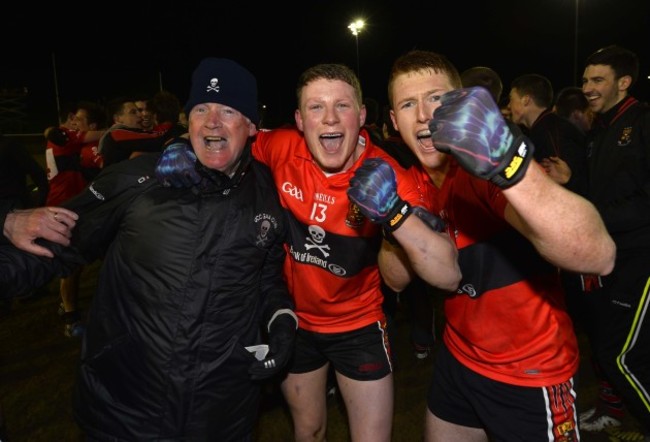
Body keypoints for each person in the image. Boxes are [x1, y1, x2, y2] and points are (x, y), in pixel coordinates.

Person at [156, 61, 461, 442]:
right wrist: (178, 145)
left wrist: (392, 221)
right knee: (309, 430)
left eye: (343, 106)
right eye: (316, 107)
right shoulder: (280, 147)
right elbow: (223, 134)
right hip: (295, 324)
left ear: (362, 115)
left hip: (359, 325)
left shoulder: (394, 179)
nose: (330, 118)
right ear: (300, 120)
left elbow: (402, 281)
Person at [0, 57, 297, 441]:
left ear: (252, 126)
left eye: (228, 110)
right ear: (186, 120)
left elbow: (265, 276)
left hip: (221, 415)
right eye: (201, 109)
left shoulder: (268, 196)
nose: (212, 121)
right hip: (125, 411)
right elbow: (48, 247)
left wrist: (282, 318)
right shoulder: (137, 179)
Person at [351, 49, 615, 441]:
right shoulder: (416, 185)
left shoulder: (480, 175)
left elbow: (598, 254)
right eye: (408, 103)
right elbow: (398, 280)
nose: (424, 114)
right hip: (459, 359)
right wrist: (392, 220)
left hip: (528, 372)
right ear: (394, 121)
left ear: (459, 103)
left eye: (436, 98)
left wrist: (509, 165)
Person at [576, 44, 650, 440]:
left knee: (620, 355)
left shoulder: (641, 122)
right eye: (586, 79)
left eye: (598, 79)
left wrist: (596, 216)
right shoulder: (600, 128)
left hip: (642, 256)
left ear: (624, 83)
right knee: (613, 347)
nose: (587, 87)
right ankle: (616, 410)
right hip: (614, 255)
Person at [507, 73, 588, 194]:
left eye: (511, 99)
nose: (509, 106)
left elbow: (562, 180)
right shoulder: (545, 127)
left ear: (526, 100)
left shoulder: (551, 131)